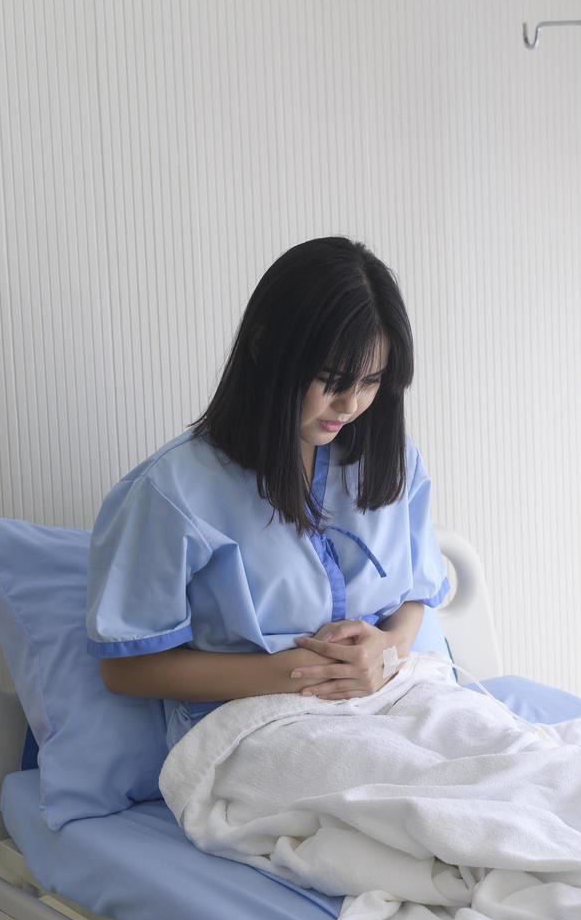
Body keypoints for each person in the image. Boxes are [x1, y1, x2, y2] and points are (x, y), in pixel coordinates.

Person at [85, 236, 452, 749]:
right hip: (258, 727)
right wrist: (289, 673)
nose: (350, 404)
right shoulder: (174, 491)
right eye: (331, 379)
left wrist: (387, 651)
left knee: (529, 779)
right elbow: (127, 671)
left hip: (394, 692)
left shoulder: (393, 463)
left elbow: (416, 597)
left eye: (371, 381)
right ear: (265, 348)